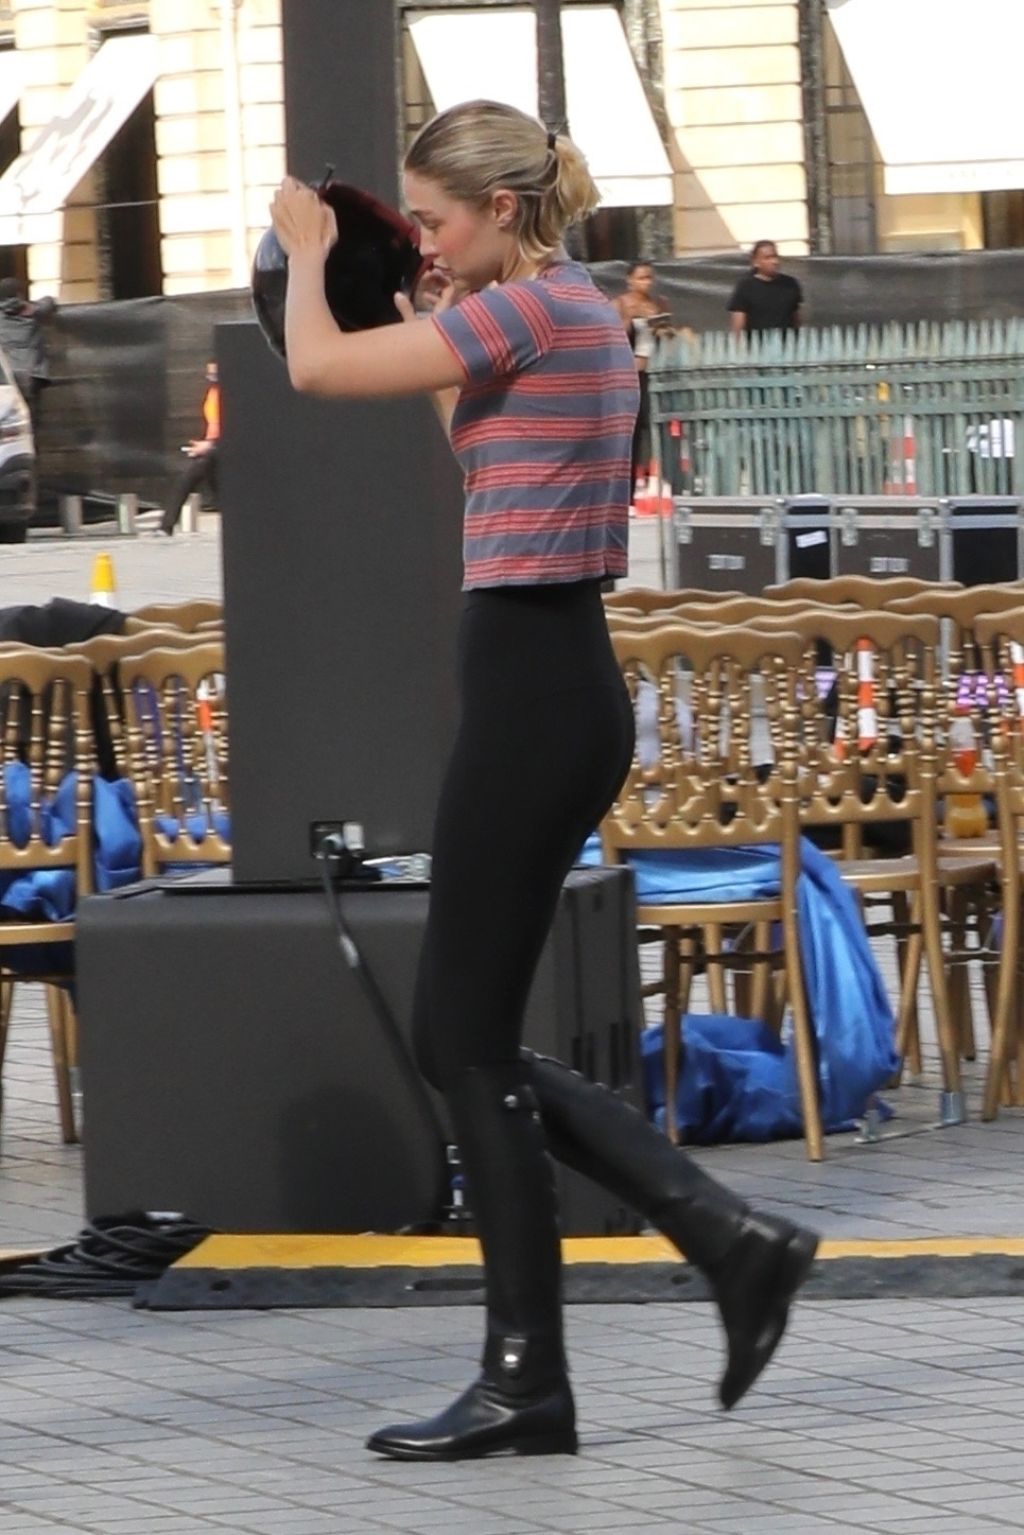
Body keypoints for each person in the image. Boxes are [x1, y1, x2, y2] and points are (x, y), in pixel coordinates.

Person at [270, 98, 818, 1465]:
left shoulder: (536, 310)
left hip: (535, 689)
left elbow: (320, 378)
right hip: (547, 682)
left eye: (445, 222)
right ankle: (683, 1265)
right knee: (466, 1037)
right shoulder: (565, 314)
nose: (437, 248)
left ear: (503, 210)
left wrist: (298, 259)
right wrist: (416, 296)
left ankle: (596, 1329)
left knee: (460, 1036)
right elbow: (469, 435)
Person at [613, 260, 675, 496]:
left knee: (659, 426)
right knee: (633, 431)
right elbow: (615, 337)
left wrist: (661, 323)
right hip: (632, 373)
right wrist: (629, 318)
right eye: (641, 278)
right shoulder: (620, 304)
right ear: (629, 280)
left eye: (649, 277)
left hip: (655, 371)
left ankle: (662, 480)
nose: (646, 282)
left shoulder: (657, 304)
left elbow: (667, 334)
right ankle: (626, 490)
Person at [161, 361, 220, 536]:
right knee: (196, 481)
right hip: (214, 448)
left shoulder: (232, 395)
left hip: (221, 447)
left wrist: (210, 445)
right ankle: (166, 525)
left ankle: (166, 526)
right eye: (209, 374)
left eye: (215, 373)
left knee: (189, 478)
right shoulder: (213, 394)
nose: (212, 378)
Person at [0, 276, 57, 436]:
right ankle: (31, 449)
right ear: (19, 293)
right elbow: (50, 302)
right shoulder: (34, 311)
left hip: (8, 375)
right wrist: (33, 306)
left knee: (9, 417)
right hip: (33, 373)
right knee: (32, 418)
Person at [728, 240, 803, 337]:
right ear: (756, 262)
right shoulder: (746, 286)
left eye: (775, 256)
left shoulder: (790, 283)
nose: (774, 261)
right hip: (757, 348)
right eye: (767, 258)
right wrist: (739, 348)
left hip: (787, 346)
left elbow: (796, 317)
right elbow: (738, 321)